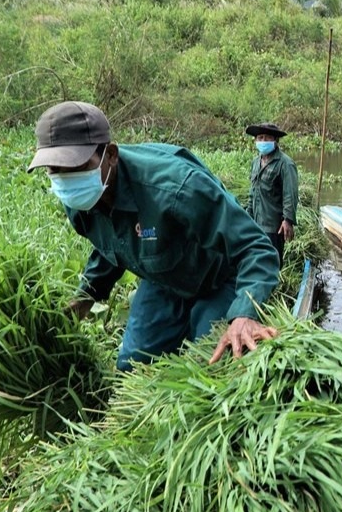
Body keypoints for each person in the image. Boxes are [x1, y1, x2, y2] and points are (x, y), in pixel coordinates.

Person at [28, 101, 281, 370]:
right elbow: (112, 242)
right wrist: (87, 294)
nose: (66, 179)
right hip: (164, 278)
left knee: (211, 364)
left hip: (220, 277)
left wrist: (244, 313)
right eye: (54, 169)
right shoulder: (78, 198)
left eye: (76, 166)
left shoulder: (176, 188)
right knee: (132, 365)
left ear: (110, 155)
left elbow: (256, 247)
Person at [245, 122, 300, 263]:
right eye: (260, 138)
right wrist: (247, 216)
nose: (263, 141)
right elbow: (253, 192)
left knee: (271, 263)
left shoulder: (285, 163)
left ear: (275, 140)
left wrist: (287, 220)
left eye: (267, 138)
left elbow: (290, 194)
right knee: (255, 261)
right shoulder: (255, 162)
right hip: (255, 224)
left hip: (274, 227)